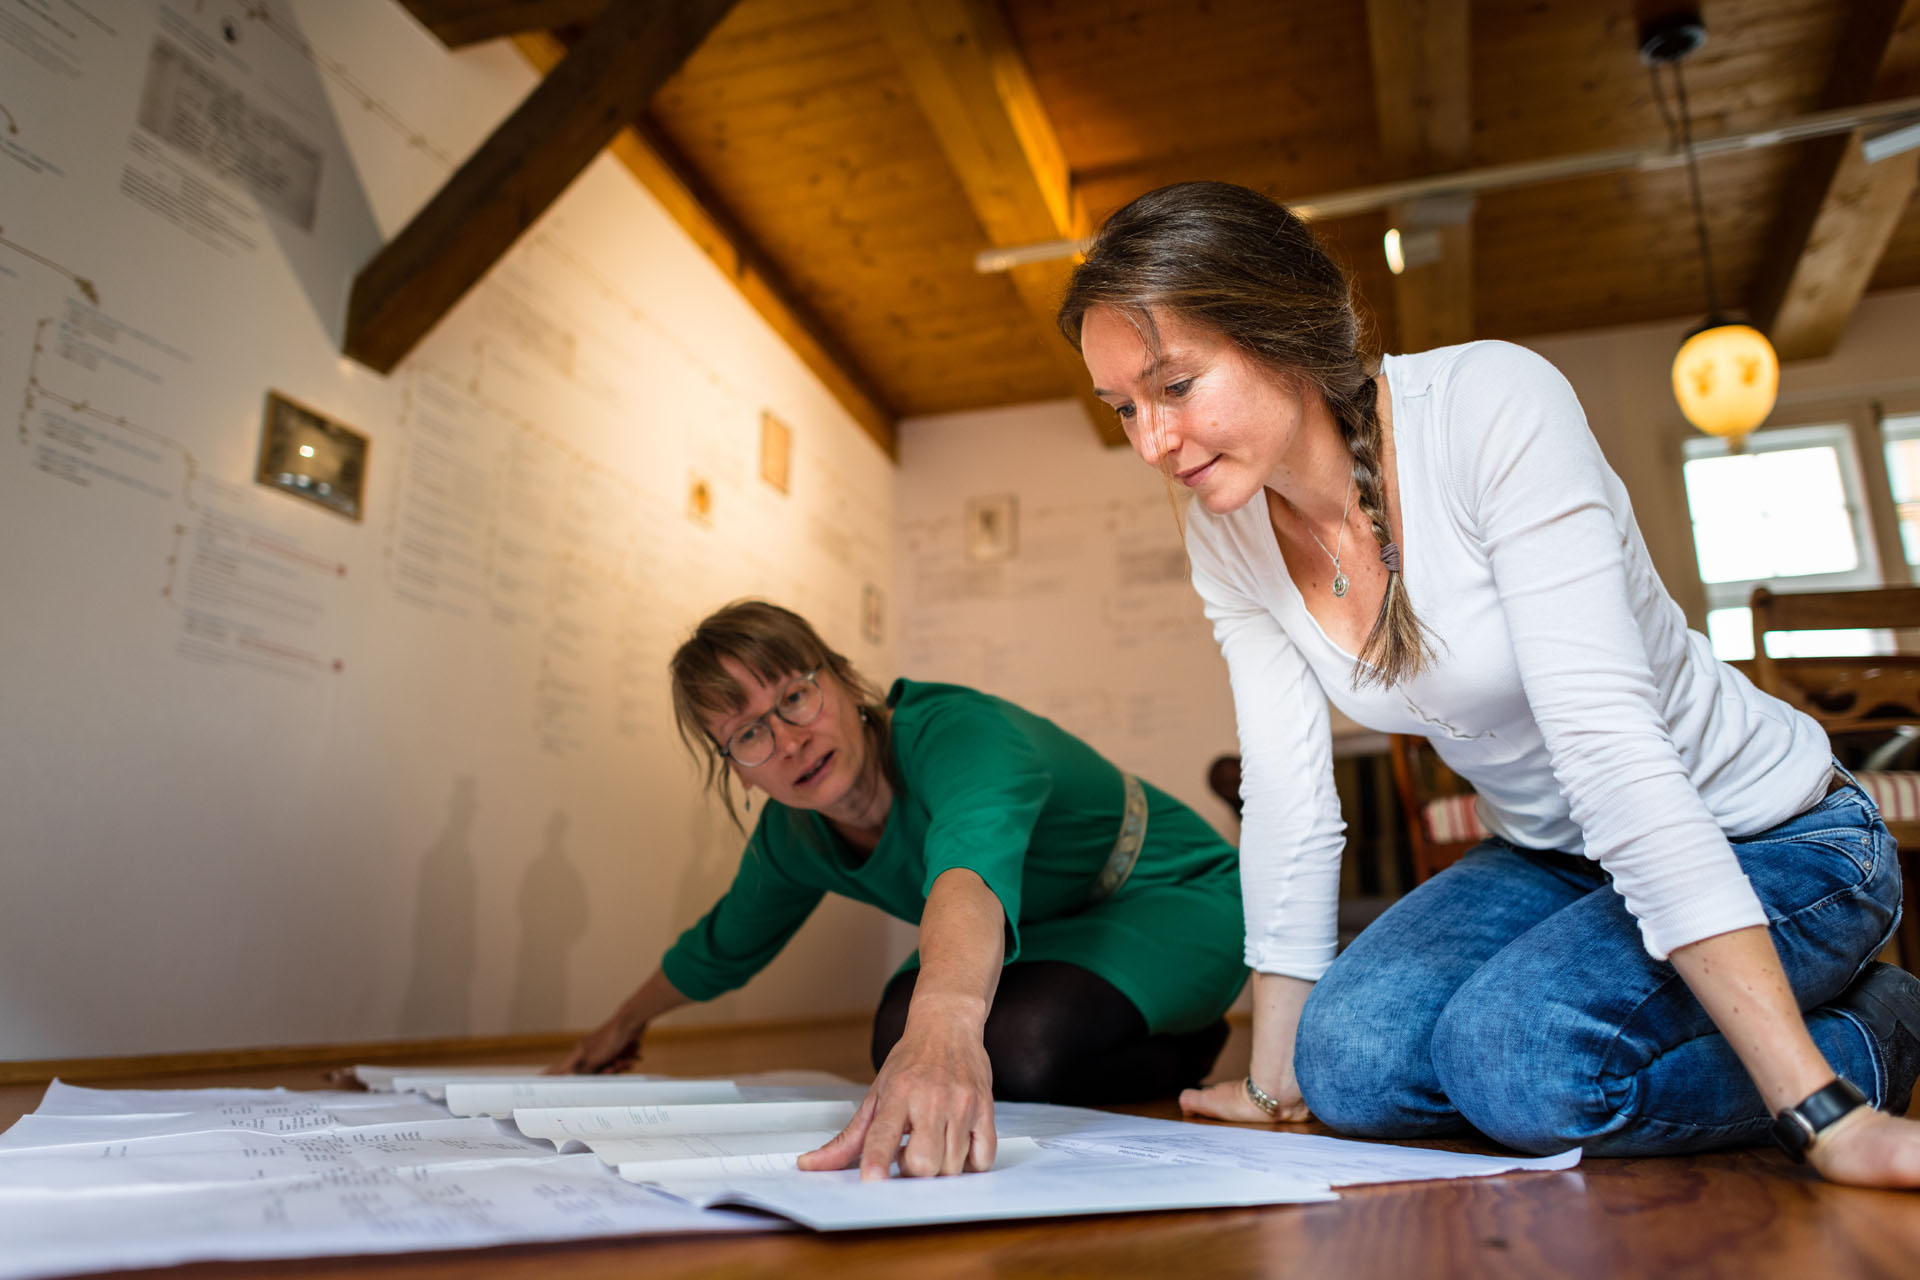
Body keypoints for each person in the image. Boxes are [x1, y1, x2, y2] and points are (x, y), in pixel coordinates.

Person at [1056, 180, 1920, 1186]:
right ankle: (1711, 1025)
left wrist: (1819, 1113)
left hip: (1768, 834)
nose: (1152, 443)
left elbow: (1609, 745)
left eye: (1174, 387)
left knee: (1519, 1064)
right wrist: (1270, 1081)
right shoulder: (1227, 532)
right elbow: (1289, 795)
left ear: (1279, 328)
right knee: (1346, 1068)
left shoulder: (1489, 404)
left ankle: (1870, 1037)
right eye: (1123, 408)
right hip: (1556, 860)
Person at [556, 599, 1247, 1178]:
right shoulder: (791, 837)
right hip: (1036, 932)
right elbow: (722, 945)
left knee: (1025, 1046)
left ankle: (1189, 1037)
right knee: (896, 1036)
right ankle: (1116, 1025)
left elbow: (967, 870)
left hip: (1162, 890)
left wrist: (947, 1020)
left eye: (796, 696)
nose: (790, 741)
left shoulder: (958, 733)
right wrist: (621, 1026)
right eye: (748, 735)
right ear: (735, 769)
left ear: (845, 682)